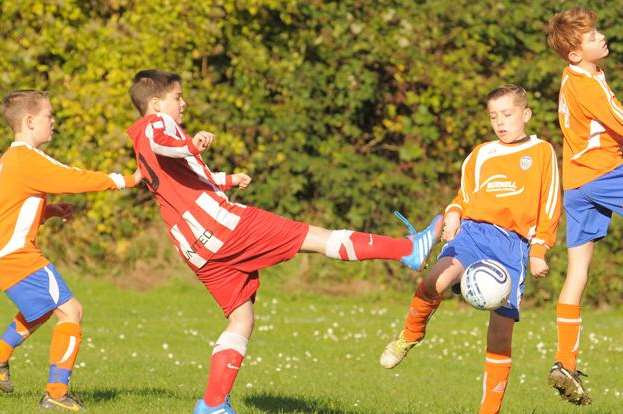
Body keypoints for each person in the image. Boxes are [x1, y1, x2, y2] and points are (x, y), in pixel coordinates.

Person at [126, 69, 441, 414]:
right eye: (177, 97)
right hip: (221, 226)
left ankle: (212, 405)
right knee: (314, 238)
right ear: (155, 104)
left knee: (242, 319)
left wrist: (228, 179)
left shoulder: (139, 142)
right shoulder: (156, 126)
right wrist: (192, 142)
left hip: (195, 248)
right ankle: (409, 250)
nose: (183, 103)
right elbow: (165, 143)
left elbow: (187, 179)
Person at [379, 85, 561, 414]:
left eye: (507, 115)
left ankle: (489, 410)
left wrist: (539, 250)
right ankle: (410, 335)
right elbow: (463, 197)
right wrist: (452, 213)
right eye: (494, 117)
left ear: (526, 115)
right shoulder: (480, 154)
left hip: (512, 245)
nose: (500, 123)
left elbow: (550, 204)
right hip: (473, 233)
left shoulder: (541, 151)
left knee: (501, 333)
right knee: (435, 278)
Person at [0, 90, 141, 411]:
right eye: (50, 116)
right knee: (71, 311)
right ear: (29, 121)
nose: (54, 122)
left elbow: (9, 205)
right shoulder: (28, 159)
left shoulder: (9, 160)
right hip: (16, 255)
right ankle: (56, 393)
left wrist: (48, 212)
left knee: (42, 309)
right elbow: (72, 177)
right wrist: (128, 179)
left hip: (5, 256)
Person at [545, 7, 623, 405]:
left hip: (577, 184)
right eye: (592, 37)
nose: (601, 38)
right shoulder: (586, 85)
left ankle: (564, 362)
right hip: (603, 175)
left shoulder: (581, 74)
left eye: (597, 33)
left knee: (578, 273)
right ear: (575, 53)